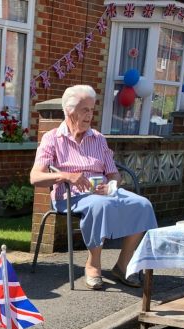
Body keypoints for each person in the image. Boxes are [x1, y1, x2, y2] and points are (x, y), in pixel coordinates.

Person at [29, 84, 157, 290]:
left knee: (142, 205)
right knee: (99, 206)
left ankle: (123, 265)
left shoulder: (98, 138)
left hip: (102, 193)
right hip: (69, 196)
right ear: (69, 111)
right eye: (85, 110)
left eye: (92, 109)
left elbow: (113, 173)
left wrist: (112, 185)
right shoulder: (52, 138)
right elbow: (35, 177)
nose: (90, 115)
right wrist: (65, 176)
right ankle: (93, 265)